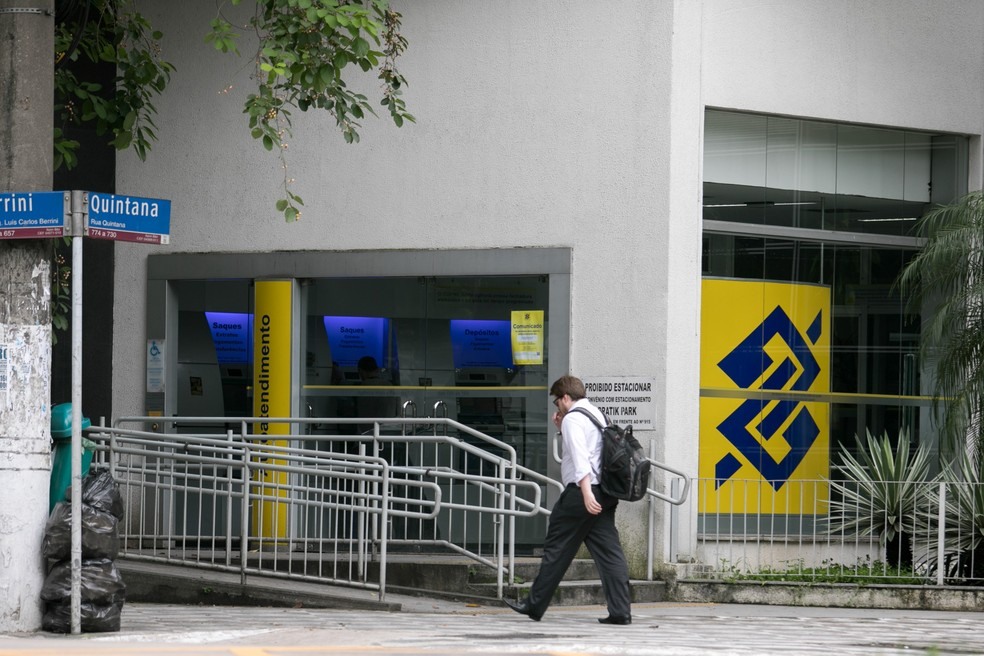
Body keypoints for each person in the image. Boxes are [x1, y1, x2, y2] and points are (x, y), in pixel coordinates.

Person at [504, 374, 632, 625]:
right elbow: (595, 451)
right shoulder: (597, 414)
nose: (557, 406)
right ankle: (620, 611)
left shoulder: (574, 418)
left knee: (556, 548)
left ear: (565, 397)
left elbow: (581, 457)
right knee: (609, 553)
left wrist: (585, 493)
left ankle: (534, 604)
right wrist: (561, 429)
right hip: (605, 493)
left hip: (582, 493)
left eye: (556, 401)